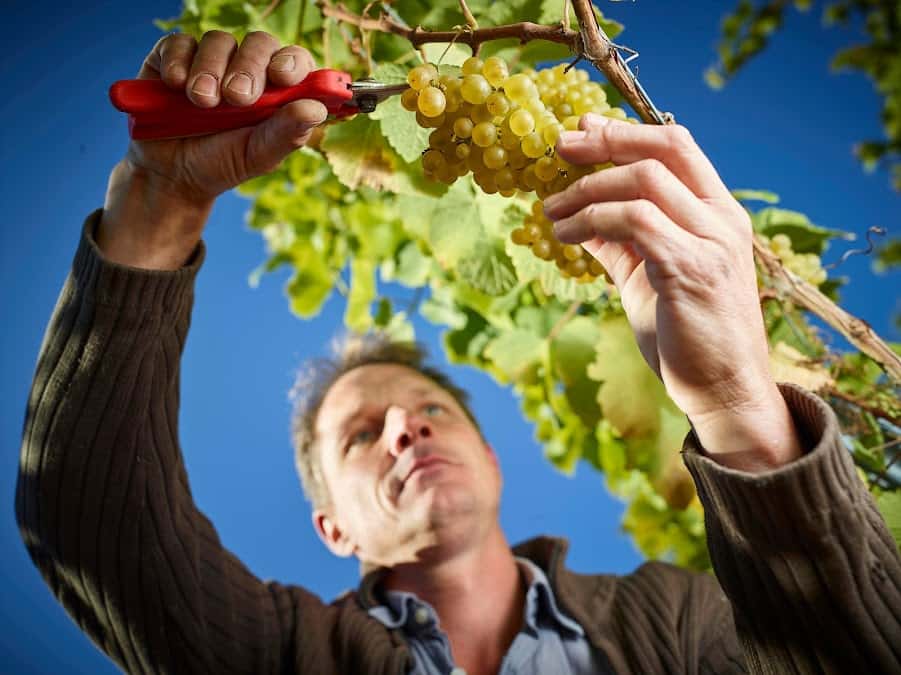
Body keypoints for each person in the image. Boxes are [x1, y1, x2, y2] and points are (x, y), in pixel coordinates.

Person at [15, 29, 901, 675]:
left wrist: (739, 405)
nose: (404, 427)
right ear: (333, 529)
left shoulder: (678, 621)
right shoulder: (281, 655)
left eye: (431, 408)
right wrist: (158, 209)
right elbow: (93, 528)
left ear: (491, 458)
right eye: (360, 435)